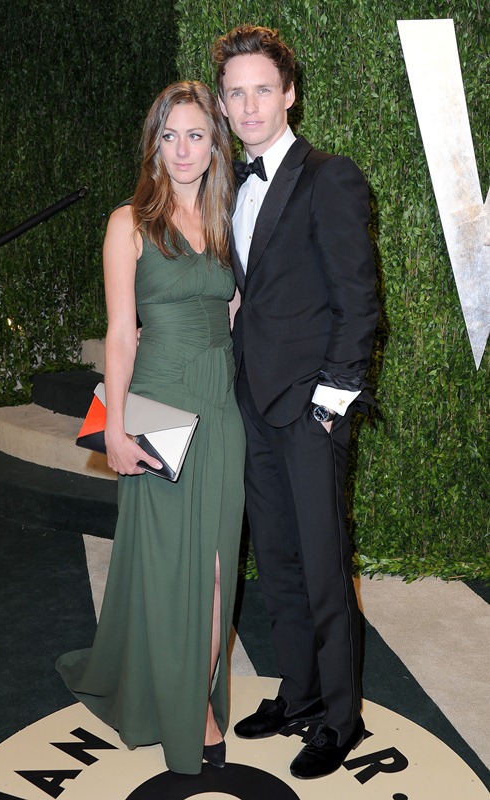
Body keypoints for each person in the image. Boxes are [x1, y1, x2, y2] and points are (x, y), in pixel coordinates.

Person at [56, 81, 246, 775]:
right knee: (171, 570)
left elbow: (234, 311)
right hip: (160, 409)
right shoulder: (128, 223)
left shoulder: (228, 219)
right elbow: (119, 334)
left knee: (218, 569)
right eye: (171, 136)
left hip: (221, 408)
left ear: (214, 144)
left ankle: (192, 692)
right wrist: (115, 427)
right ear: (155, 145)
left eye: (196, 135)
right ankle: (191, 712)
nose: (183, 150)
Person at [212, 25, 379, 779]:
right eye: (236, 93)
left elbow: (357, 297)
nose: (249, 105)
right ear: (223, 104)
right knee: (277, 561)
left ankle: (341, 719)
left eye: (262, 90)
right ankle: (298, 693)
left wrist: (330, 403)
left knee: (323, 566)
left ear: (289, 96)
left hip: (310, 410)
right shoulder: (229, 184)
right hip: (250, 401)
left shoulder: (329, 176)